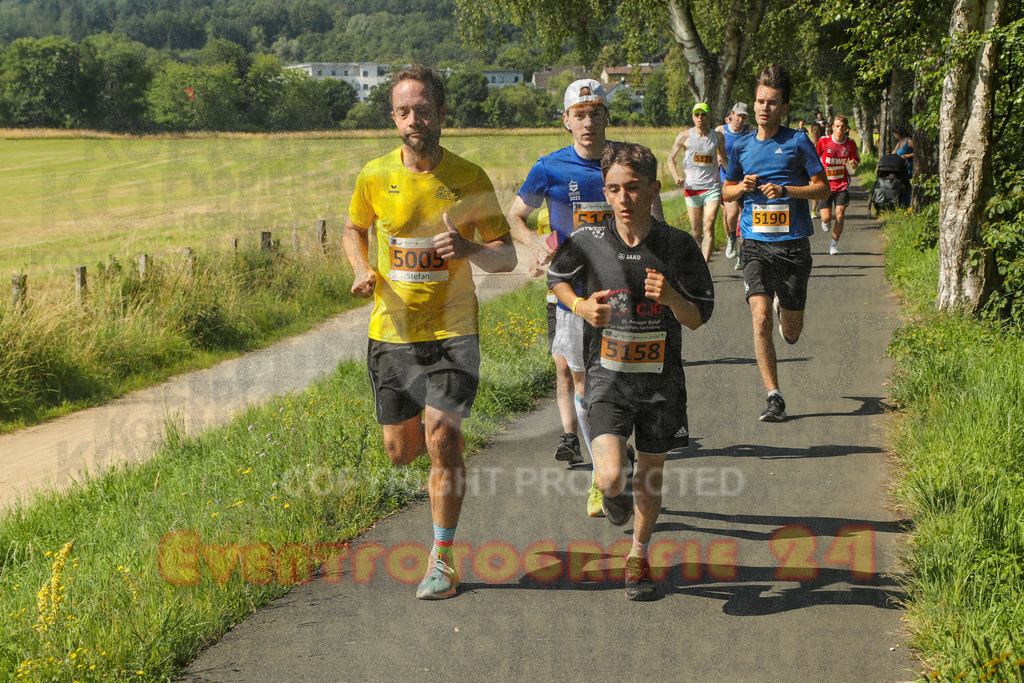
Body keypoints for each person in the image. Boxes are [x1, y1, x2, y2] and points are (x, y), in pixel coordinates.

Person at [342, 64, 517, 600]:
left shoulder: (469, 177)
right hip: (392, 331)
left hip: (453, 330)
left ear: (441, 113)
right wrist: (361, 268)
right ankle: (441, 462)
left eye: (422, 109)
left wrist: (469, 249)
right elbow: (354, 228)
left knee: (442, 435)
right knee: (402, 451)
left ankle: (441, 558)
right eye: (403, 111)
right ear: (394, 118)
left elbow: (507, 256)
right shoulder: (375, 175)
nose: (413, 119)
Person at [547, 142, 713, 600]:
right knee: (609, 479)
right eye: (615, 189)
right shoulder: (588, 240)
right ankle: (615, 486)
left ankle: (638, 555)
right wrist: (580, 306)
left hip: (661, 383)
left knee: (650, 478)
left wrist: (672, 298)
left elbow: (698, 318)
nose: (624, 198)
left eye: (634, 188)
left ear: (654, 189)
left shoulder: (677, 246)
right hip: (608, 378)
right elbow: (556, 280)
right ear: (606, 191)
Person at [507, 79, 663, 518]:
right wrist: (536, 244)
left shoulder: (624, 163)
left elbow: (655, 217)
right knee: (582, 382)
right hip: (574, 294)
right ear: (566, 120)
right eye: (580, 114)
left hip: (626, 294)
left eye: (596, 113)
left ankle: (617, 449)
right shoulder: (549, 168)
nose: (588, 122)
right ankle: (602, 473)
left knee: (626, 379)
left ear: (607, 116)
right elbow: (516, 216)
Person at [723, 64, 830, 422]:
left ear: (783, 107)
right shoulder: (741, 145)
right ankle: (774, 396)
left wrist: (786, 190)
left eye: (771, 102)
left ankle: (787, 307)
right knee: (760, 318)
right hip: (754, 243)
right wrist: (741, 187)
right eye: (759, 101)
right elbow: (726, 191)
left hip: (793, 245)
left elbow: (822, 188)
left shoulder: (798, 142)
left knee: (792, 332)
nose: (764, 108)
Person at [668, 103, 728, 262]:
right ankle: (698, 259)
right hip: (692, 188)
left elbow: (724, 160)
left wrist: (733, 178)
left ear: (709, 117)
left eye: (703, 114)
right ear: (693, 117)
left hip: (712, 187)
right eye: (697, 114)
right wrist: (676, 176)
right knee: (696, 232)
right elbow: (670, 159)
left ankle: (705, 266)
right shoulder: (684, 137)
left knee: (709, 225)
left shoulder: (718, 137)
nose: (700, 118)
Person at [816, 115, 860, 255]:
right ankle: (826, 221)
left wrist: (854, 164)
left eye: (842, 126)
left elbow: (854, 161)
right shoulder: (824, 141)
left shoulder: (850, 143)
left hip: (841, 184)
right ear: (833, 127)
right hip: (825, 185)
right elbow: (814, 159)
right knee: (826, 217)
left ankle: (833, 244)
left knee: (840, 215)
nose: (840, 129)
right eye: (837, 126)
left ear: (846, 128)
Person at [715, 103, 751, 268]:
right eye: (739, 116)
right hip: (727, 177)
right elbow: (709, 146)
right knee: (732, 213)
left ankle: (742, 255)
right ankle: (731, 238)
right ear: (731, 115)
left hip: (745, 178)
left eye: (744, 117)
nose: (741, 120)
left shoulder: (750, 132)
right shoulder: (721, 131)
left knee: (745, 217)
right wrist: (716, 157)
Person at [892, 127, 914, 207]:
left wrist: (907, 156)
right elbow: (894, 153)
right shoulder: (899, 143)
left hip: (908, 167)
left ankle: (909, 205)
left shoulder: (909, 141)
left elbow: (918, 152)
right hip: (900, 168)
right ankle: (902, 205)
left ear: (898, 134)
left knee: (908, 186)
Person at [807, 122, 825, 218]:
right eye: (814, 130)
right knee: (813, 189)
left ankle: (816, 208)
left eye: (818, 130)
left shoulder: (824, 142)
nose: (816, 132)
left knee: (819, 188)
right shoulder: (808, 142)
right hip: (810, 169)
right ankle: (814, 209)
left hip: (823, 168)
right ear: (811, 131)